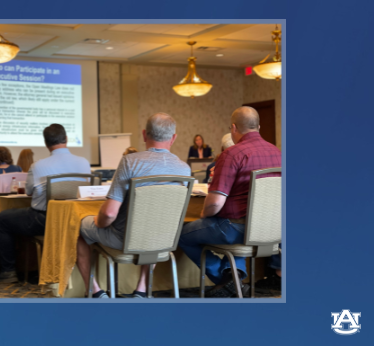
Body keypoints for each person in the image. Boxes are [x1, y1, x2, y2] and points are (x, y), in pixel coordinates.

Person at [75, 113, 191, 298]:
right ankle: (141, 290)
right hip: (162, 241)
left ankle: (95, 292)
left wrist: (98, 222)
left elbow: (109, 214)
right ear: (174, 138)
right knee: (154, 226)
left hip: (123, 240)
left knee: (77, 228)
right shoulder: (184, 169)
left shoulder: (130, 162)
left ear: (144, 135)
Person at [178, 106, 281, 297]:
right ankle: (233, 278)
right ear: (258, 127)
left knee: (181, 235)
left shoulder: (232, 154)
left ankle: (228, 280)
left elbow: (215, 204)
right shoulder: (278, 153)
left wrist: (205, 213)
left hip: (236, 228)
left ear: (233, 128)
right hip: (272, 229)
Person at [0, 124, 91, 283]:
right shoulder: (84, 163)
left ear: (46, 143)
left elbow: (29, 192)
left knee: (3, 219)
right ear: (66, 139)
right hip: (77, 219)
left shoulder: (38, 166)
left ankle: (8, 272)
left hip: (45, 220)